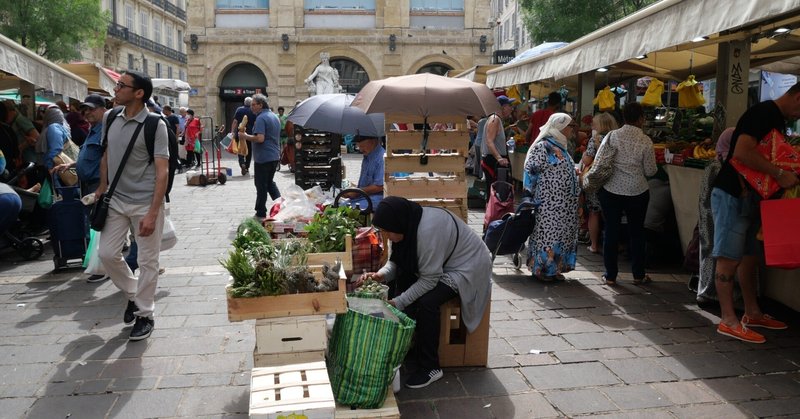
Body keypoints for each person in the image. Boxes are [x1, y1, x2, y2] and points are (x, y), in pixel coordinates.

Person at [356, 197, 492, 389]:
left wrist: (398, 302)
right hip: (442, 264)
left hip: (468, 266)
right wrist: (380, 275)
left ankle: (431, 366)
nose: (385, 236)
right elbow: (397, 262)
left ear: (398, 224)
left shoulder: (427, 233)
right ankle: (412, 344)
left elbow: (429, 279)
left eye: (387, 231)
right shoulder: (406, 224)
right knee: (404, 279)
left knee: (428, 301)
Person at [709, 84, 800, 343]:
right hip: (732, 195)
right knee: (729, 257)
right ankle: (727, 319)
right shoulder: (763, 113)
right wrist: (780, 174)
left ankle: (752, 312)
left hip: (750, 198)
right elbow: (741, 152)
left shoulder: (776, 118)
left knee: (750, 257)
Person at [96, 71, 169, 341]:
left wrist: (152, 212)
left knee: (148, 261)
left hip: (144, 202)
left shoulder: (155, 125)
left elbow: (162, 171)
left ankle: (145, 314)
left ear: (139, 93)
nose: (115, 89)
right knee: (106, 254)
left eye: (121, 85)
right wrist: (102, 187)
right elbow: (106, 154)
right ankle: (133, 293)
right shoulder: (110, 117)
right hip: (115, 200)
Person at [595, 102, 657, 286]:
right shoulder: (645, 140)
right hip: (637, 191)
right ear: (641, 119)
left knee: (611, 231)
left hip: (612, 190)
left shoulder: (612, 136)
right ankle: (638, 275)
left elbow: (600, 160)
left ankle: (610, 276)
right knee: (637, 232)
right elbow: (651, 171)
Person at [524, 113, 579, 281]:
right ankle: (542, 270)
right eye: (570, 126)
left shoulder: (560, 145)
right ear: (561, 127)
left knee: (560, 235)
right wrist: (528, 196)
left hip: (564, 205)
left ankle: (554, 269)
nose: (573, 130)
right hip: (548, 204)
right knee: (548, 235)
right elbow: (530, 170)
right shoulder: (543, 146)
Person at [696, 128, 738, 306]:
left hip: (715, 216)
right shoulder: (719, 166)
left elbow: (704, 197)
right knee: (718, 253)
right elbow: (706, 197)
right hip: (716, 216)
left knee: (717, 253)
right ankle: (710, 293)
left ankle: (712, 293)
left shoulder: (719, 165)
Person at [579, 112, 618, 254]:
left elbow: (588, 160)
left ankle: (594, 245)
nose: (591, 126)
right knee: (610, 214)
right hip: (612, 180)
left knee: (594, 213)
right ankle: (614, 245)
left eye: (594, 124)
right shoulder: (616, 138)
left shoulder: (595, 139)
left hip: (596, 181)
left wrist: (584, 155)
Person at [238, 94, 281, 220]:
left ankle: (260, 211)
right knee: (269, 183)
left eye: (253, 104)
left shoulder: (261, 118)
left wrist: (244, 136)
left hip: (264, 157)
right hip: (273, 155)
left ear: (260, 105)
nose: (251, 107)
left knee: (261, 184)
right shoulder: (274, 116)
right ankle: (281, 204)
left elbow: (260, 138)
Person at [480, 95, 515, 187]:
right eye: (509, 106)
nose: (511, 109)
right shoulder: (495, 119)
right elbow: (489, 141)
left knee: (495, 192)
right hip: (493, 161)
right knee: (495, 192)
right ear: (503, 107)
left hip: (495, 160)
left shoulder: (496, 119)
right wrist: (499, 158)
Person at [343, 135, 384, 210]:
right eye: (359, 146)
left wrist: (357, 192)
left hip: (376, 199)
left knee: (345, 209)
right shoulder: (368, 156)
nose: (360, 150)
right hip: (364, 196)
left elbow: (380, 186)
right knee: (340, 205)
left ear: (373, 141)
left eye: (362, 146)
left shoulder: (381, 158)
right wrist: (354, 190)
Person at [4, 100, 39, 167]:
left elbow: (36, 136)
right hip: (24, 160)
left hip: (30, 159)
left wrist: (20, 148)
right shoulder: (13, 122)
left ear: (10, 111)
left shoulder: (20, 120)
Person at [231, 97, 255, 176]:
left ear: (244, 103)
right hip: (249, 134)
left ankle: (242, 164)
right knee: (249, 150)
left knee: (240, 149)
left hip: (240, 133)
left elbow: (235, 121)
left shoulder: (239, 110)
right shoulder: (253, 110)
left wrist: (232, 132)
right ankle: (247, 167)